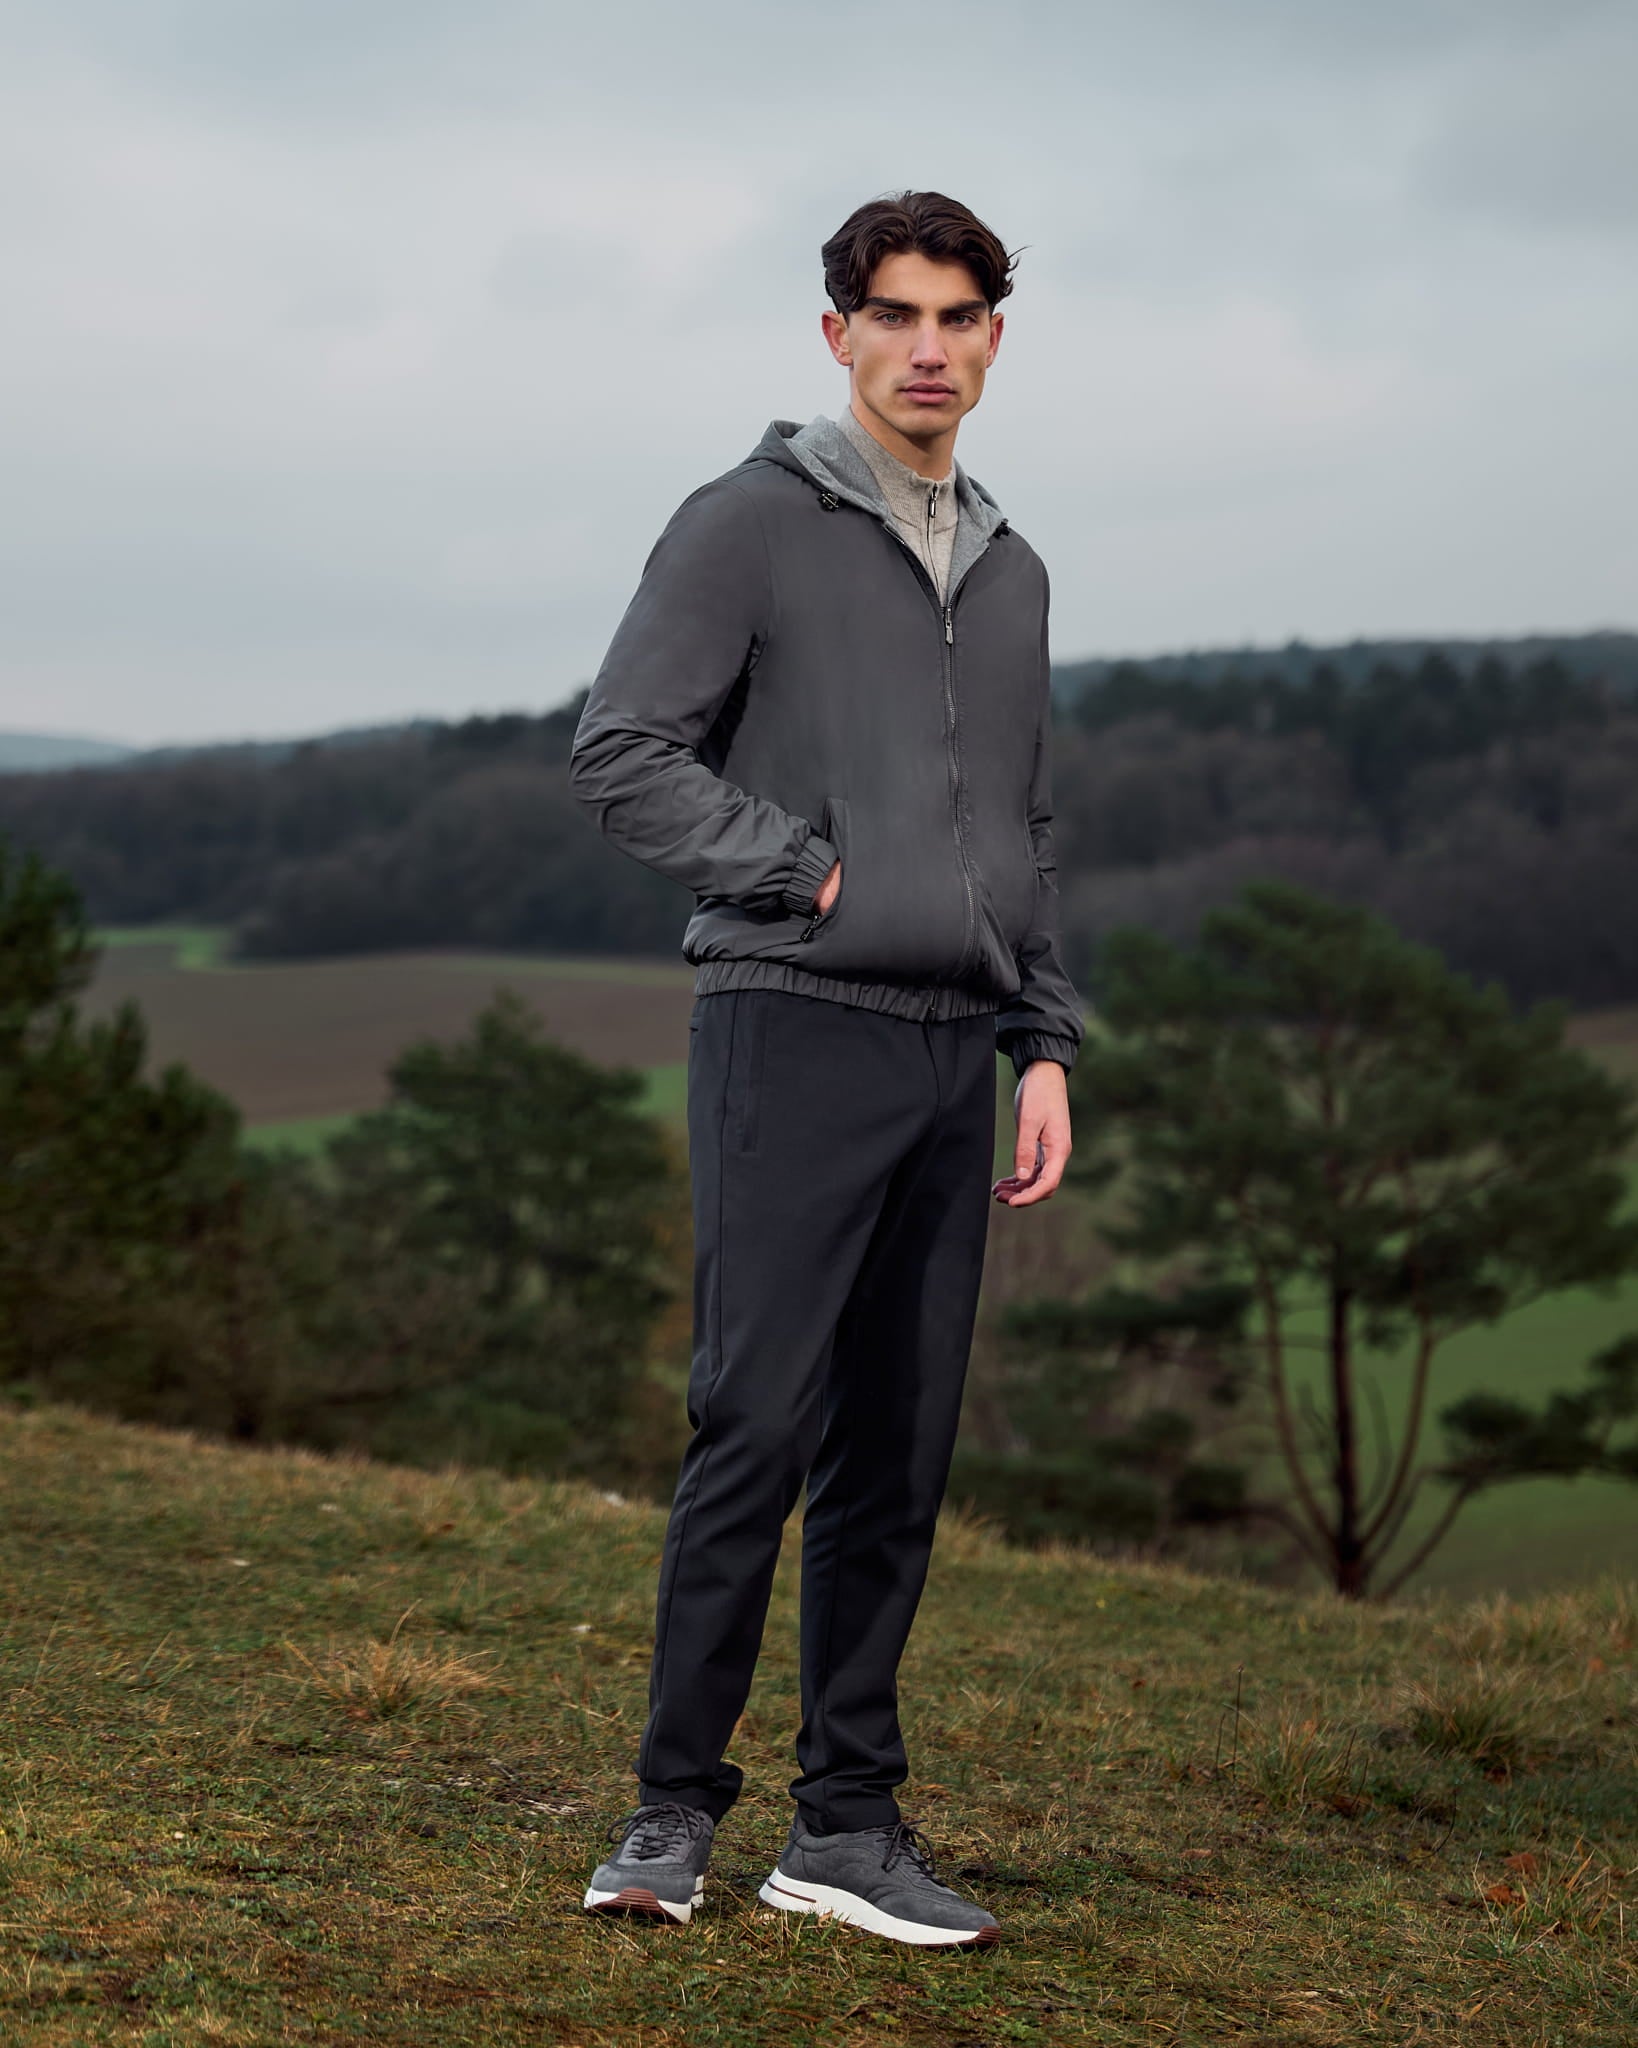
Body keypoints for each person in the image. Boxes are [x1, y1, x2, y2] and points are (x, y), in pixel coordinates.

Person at [567, 189, 1084, 1948]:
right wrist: (809, 870)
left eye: (958, 318)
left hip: (959, 1054)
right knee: (756, 1422)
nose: (926, 347)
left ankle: (844, 1828)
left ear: (995, 339)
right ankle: (665, 1813)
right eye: (894, 316)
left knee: (898, 1453)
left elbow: (1022, 828)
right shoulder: (746, 525)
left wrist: (1040, 1041)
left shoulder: (1010, 568)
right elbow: (622, 751)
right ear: (836, 334)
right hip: (791, 1026)